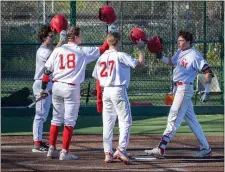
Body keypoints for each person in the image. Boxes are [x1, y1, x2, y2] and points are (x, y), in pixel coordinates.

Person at [41, 26, 109, 160]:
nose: (82, 38)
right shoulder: (81, 51)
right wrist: (109, 35)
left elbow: (47, 71)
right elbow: (102, 49)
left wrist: (43, 88)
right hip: (71, 88)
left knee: (56, 119)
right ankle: (64, 152)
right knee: (69, 121)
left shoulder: (58, 50)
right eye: (80, 36)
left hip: (56, 86)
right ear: (76, 37)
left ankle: (51, 148)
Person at [145, 30, 213, 158]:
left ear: (188, 42)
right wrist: (160, 56)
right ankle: (206, 148)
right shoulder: (180, 52)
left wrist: (206, 89)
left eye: (181, 41)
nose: (179, 43)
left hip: (184, 89)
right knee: (192, 121)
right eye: (178, 40)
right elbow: (171, 61)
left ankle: (161, 148)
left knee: (173, 116)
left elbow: (208, 71)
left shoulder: (194, 55)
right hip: (178, 89)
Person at [92, 32, 145, 164]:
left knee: (108, 123)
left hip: (106, 91)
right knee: (126, 121)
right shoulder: (120, 55)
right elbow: (140, 64)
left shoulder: (101, 57)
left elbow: (96, 77)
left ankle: (108, 153)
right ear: (118, 42)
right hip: (118, 90)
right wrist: (141, 48)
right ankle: (121, 150)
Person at [32, 25, 66, 152]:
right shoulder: (42, 51)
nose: (53, 38)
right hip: (41, 84)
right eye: (51, 36)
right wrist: (61, 41)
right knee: (40, 114)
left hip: (48, 83)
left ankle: (39, 141)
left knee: (44, 114)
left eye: (53, 36)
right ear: (44, 38)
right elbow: (54, 57)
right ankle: (37, 143)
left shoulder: (48, 49)